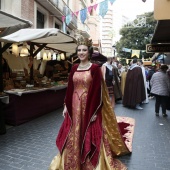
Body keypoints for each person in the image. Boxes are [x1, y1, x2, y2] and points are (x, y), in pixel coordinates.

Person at [49, 37, 135, 170]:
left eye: (84, 50)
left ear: (88, 52)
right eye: (79, 50)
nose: (81, 53)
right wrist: (66, 105)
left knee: (90, 131)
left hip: (89, 106)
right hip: (74, 105)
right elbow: (70, 88)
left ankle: (90, 161)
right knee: (73, 131)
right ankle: (73, 161)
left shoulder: (95, 68)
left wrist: (95, 111)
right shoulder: (74, 68)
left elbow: (97, 92)